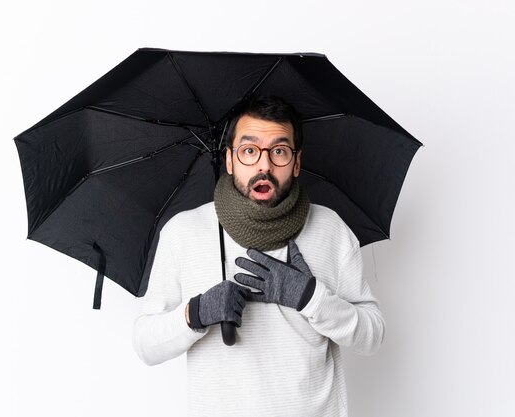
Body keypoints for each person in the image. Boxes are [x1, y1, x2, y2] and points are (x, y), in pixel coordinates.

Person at [132, 96, 385, 417]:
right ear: (229, 159)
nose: (264, 165)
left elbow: (372, 336)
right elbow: (145, 345)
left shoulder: (329, 229)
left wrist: (311, 297)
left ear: (296, 162)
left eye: (279, 151)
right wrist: (195, 313)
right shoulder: (184, 231)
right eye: (249, 151)